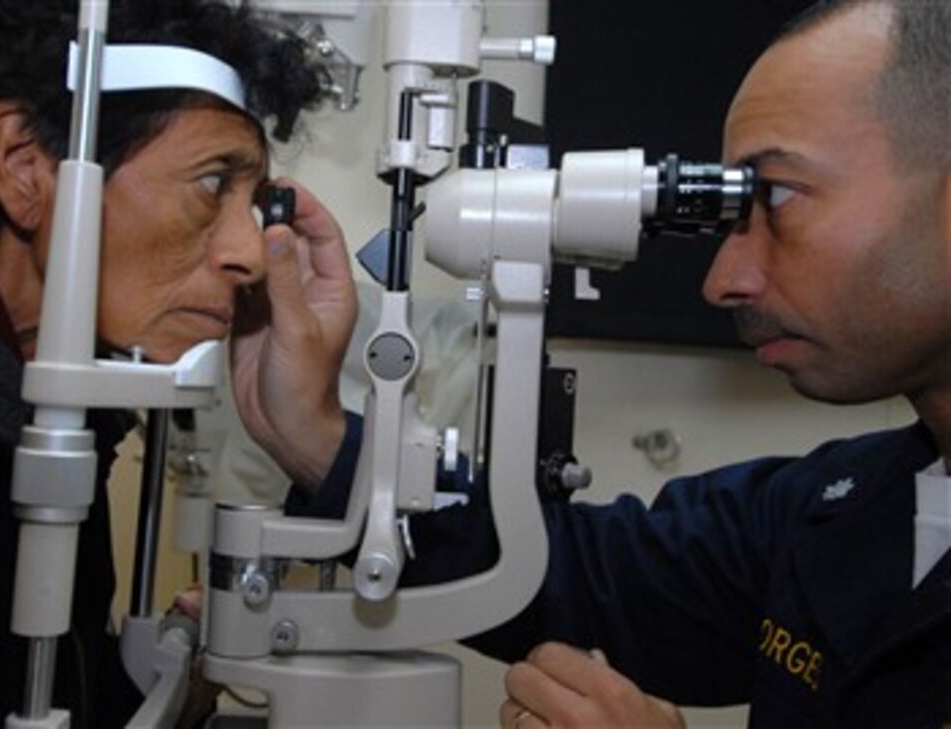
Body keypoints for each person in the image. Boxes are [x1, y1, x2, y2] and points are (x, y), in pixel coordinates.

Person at [268, 0, 950, 726]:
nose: (722, 281)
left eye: (777, 195)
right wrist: (322, 441)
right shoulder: (841, 508)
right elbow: (579, 576)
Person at [0, 1, 357, 727]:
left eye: (255, 202)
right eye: (214, 183)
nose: (250, 254)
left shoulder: (52, 395)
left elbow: (34, 682)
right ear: (24, 165)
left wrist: (166, 696)